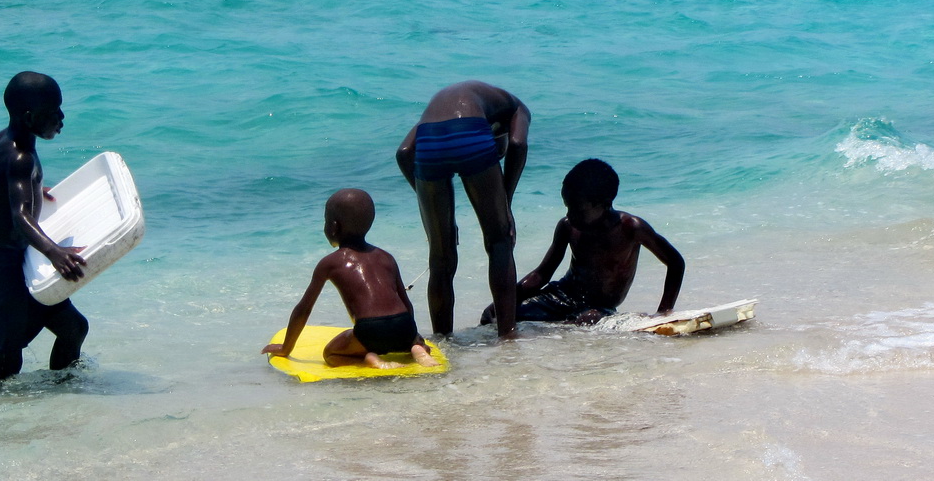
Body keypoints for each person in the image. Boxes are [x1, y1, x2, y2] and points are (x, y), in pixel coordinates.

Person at [0, 71, 89, 384]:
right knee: (4, 363)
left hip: (15, 260)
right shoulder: (19, 157)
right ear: (31, 116)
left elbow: (2, 187)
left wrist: (36, 190)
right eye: (53, 112)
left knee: (74, 328)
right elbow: (20, 219)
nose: (61, 118)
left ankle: (64, 393)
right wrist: (55, 253)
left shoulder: (5, 140)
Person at [395, 81, 530, 337]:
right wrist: (506, 202)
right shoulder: (518, 108)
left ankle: (444, 340)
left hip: (429, 141)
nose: (497, 158)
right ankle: (507, 335)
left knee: (440, 259)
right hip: (470, 132)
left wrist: (431, 205)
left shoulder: (444, 106)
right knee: (499, 241)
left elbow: (404, 153)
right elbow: (518, 144)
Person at [481, 158, 684, 326]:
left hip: (600, 307)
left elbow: (675, 263)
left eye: (577, 210)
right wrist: (504, 301)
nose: (570, 215)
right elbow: (541, 274)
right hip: (561, 296)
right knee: (500, 316)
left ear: (603, 204)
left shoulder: (631, 228)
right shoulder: (568, 226)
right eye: (567, 207)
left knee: (586, 321)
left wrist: (664, 312)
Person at [262, 189, 438, 369]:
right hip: (404, 326)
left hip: (369, 331)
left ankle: (369, 359)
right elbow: (405, 303)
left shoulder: (329, 263)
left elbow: (304, 309)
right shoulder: (386, 257)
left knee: (331, 353)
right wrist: (411, 335)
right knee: (403, 339)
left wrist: (286, 347)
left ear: (333, 227)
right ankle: (416, 348)